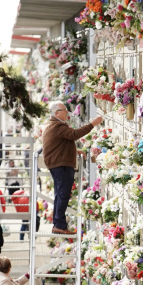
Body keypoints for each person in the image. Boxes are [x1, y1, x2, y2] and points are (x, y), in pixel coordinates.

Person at [42, 101, 103, 235]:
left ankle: (58, 224)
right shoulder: (57, 125)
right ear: (57, 113)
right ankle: (59, 225)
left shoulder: (52, 124)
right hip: (61, 164)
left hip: (58, 163)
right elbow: (74, 135)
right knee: (63, 194)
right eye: (64, 110)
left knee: (60, 194)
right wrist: (93, 124)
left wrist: (74, 151)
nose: (67, 113)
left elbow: (59, 144)